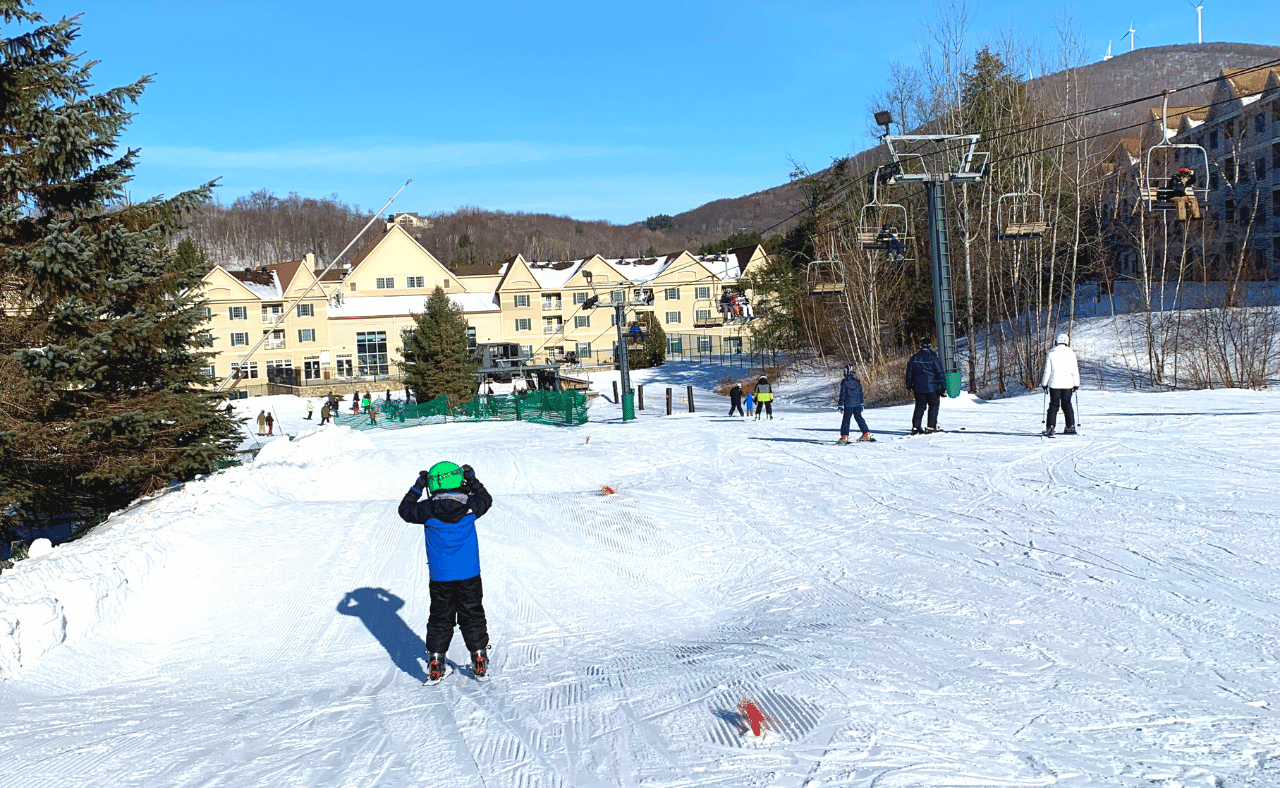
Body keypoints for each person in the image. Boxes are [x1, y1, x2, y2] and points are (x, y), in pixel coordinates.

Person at [398, 461, 494, 684]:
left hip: (441, 577)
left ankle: (436, 662)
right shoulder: (470, 506)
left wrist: (417, 487)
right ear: (457, 480)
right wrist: (472, 479)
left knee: (441, 618)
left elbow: (404, 510)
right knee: (472, 615)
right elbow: (486, 499)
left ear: (433, 484)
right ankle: (479, 658)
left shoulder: (426, 509)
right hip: (469, 574)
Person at [1041, 333, 1080, 436]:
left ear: (1056, 341)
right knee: (1067, 405)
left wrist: (1044, 383)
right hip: (1068, 384)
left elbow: (1047, 371)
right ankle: (1070, 426)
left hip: (1054, 384)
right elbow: (1074, 371)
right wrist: (1076, 384)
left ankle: (1050, 427)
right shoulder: (1071, 354)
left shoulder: (1051, 353)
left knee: (1053, 405)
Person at [905, 337, 946, 435]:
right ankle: (931, 426)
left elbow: (909, 372)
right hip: (932, 387)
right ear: (930, 345)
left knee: (919, 406)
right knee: (933, 406)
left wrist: (909, 384)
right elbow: (940, 373)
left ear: (921, 345)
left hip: (918, 387)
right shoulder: (934, 358)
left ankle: (915, 427)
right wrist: (943, 386)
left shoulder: (914, 358)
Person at [837, 364, 875, 444]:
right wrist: (861, 403)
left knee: (846, 419)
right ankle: (866, 433)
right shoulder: (857, 382)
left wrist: (840, 404)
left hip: (848, 404)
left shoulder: (844, 382)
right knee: (859, 418)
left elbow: (843, 394)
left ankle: (844, 436)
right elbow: (861, 394)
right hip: (857, 403)